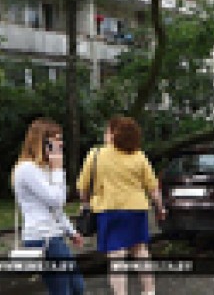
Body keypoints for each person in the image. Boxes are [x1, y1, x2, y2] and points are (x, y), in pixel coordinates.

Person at [77, 116, 166, 295]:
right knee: (141, 251)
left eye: (107, 130)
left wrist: (86, 202)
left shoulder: (95, 155)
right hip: (137, 210)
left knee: (116, 257)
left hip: (108, 211)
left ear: (112, 134)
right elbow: (153, 188)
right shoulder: (139, 156)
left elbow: (82, 188)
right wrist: (160, 208)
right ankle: (149, 291)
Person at [11, 118, 85, 295]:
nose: (60, 144)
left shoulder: (45, 168)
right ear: (41, 141)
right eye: (56, 140)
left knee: (77, 287)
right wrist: (58, 170)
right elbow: (56, 200)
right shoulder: (26, 169)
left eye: (61, 140)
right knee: (62, 291)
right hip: (42, 237)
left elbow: (56, 208)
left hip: (55, 237)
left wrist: (71, 231)